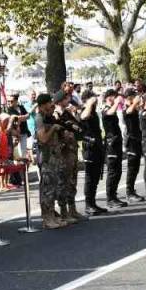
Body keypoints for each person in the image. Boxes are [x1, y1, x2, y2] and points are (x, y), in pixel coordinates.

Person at [33, 94, 65, 229]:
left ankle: (52, 216)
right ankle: (47, 219)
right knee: (47, 189)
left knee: (53, 189)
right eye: (48, 103)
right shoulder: (39, 118)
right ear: (43, 104)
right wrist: (53, 128)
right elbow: (43, 139)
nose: (51, 105)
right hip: (46, 158)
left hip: (53, 157)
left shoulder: (47, 116)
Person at [54, 92, 84, 222]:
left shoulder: (67, 113)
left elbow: (79, 127)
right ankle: (64, 212)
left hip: (72, 149)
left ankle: (72, 210)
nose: (69, 101)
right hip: (63, 152)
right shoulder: (55, 114)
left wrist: (75, 113)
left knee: (72, 181)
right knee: (63, 182)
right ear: (60, 100)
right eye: (66, 99)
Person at [78, 90, 107, 215]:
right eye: (92, 98)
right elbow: (83, 117)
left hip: (97, 147)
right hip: (89, 149)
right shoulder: (84, 110)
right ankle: (88, 205)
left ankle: (93, 203)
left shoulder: (93, 111)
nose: (95, 101)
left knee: (95, 177)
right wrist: (89, 103)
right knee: (90, 178)